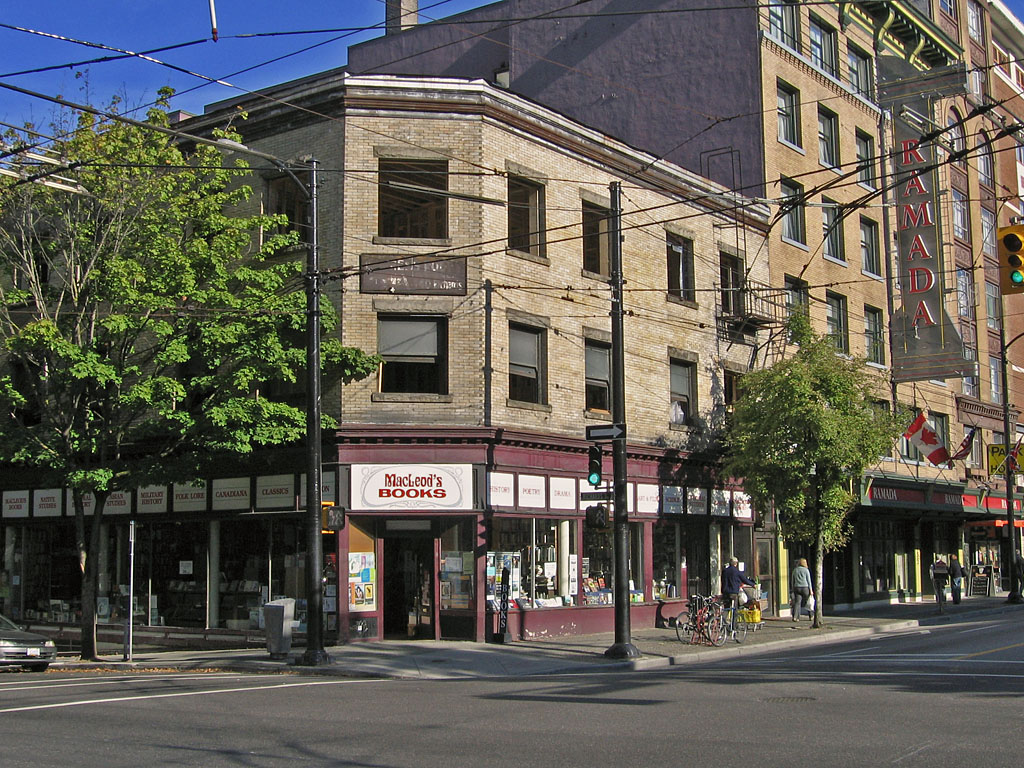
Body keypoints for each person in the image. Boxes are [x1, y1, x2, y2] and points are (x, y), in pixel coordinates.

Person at [721, 557, 756, 632]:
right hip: (733, 593)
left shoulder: (725, 571)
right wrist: (753, 584)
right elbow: (744, 580)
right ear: (736, 564)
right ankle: (733, 627)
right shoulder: (736, 572)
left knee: (726, 609)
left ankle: (724, 623)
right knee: (735, 610)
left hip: (725, 592)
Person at [791, 557, 813, 622]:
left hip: (797, 587)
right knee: (808, 602)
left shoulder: (795, 570)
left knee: (797, 603)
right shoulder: (806, 570)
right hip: (805, 587)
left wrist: (792, 588)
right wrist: (811, 590)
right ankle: (811, 616)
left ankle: (796, 617)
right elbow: (809, 581)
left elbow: (793, 580)